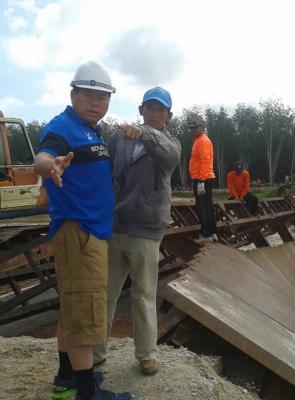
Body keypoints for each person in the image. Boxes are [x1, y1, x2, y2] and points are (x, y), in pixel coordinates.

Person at [34, 61, 132, 400]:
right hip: (79, 233)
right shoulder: (62, 127)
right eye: (89, 95)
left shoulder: (91, 131)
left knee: (73, 309)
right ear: (73, 94)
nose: (96, 102)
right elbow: (41, 158)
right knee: (85, 314)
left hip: (91, 232)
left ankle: (67, 379)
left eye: (103, 97)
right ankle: (88, 394)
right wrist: (51, 166)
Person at [93, 87, 181, 376]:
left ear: (168, 116)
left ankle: (147, 355)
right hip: (115, 225)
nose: (154, 113)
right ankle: (95, 352)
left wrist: (145, 134)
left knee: (143, 293)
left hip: (146, 228)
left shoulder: (170, 142)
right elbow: (103, 170)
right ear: (141, 110)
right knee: (106, 293)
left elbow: (171, 158)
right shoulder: (119, 137)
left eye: (160, 109)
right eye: (150, 108)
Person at [188, 116, 217, 243]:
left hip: (202, 178)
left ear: (202, 127)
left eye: (194, 128)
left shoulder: (202, 141)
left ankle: (207, 234)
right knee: (207, 205)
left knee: (202, 207)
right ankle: (212, 232)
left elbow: (205, 161)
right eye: (191, 128)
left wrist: (201, 180)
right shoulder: (200, 140)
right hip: (204, 177)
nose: (192, 130)